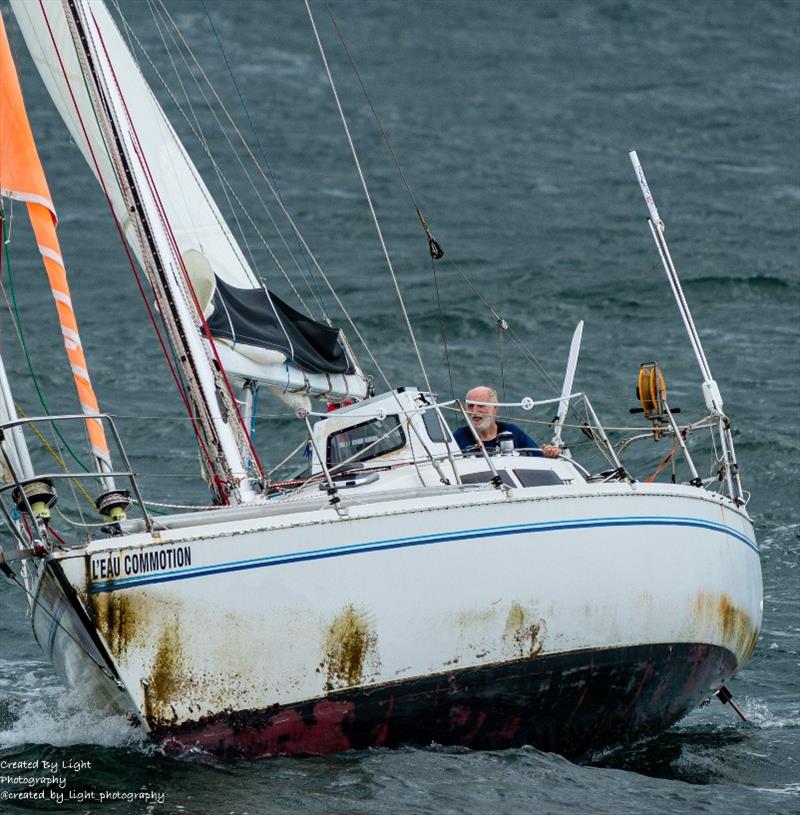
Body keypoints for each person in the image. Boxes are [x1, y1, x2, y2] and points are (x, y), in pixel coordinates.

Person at [454, 386, 560, 458]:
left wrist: (549, 452)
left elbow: (539, 458)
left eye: (481, 405)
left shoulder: (512, 432)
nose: (474, 411)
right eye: (471, 406)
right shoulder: (458, 437)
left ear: (494, 408)